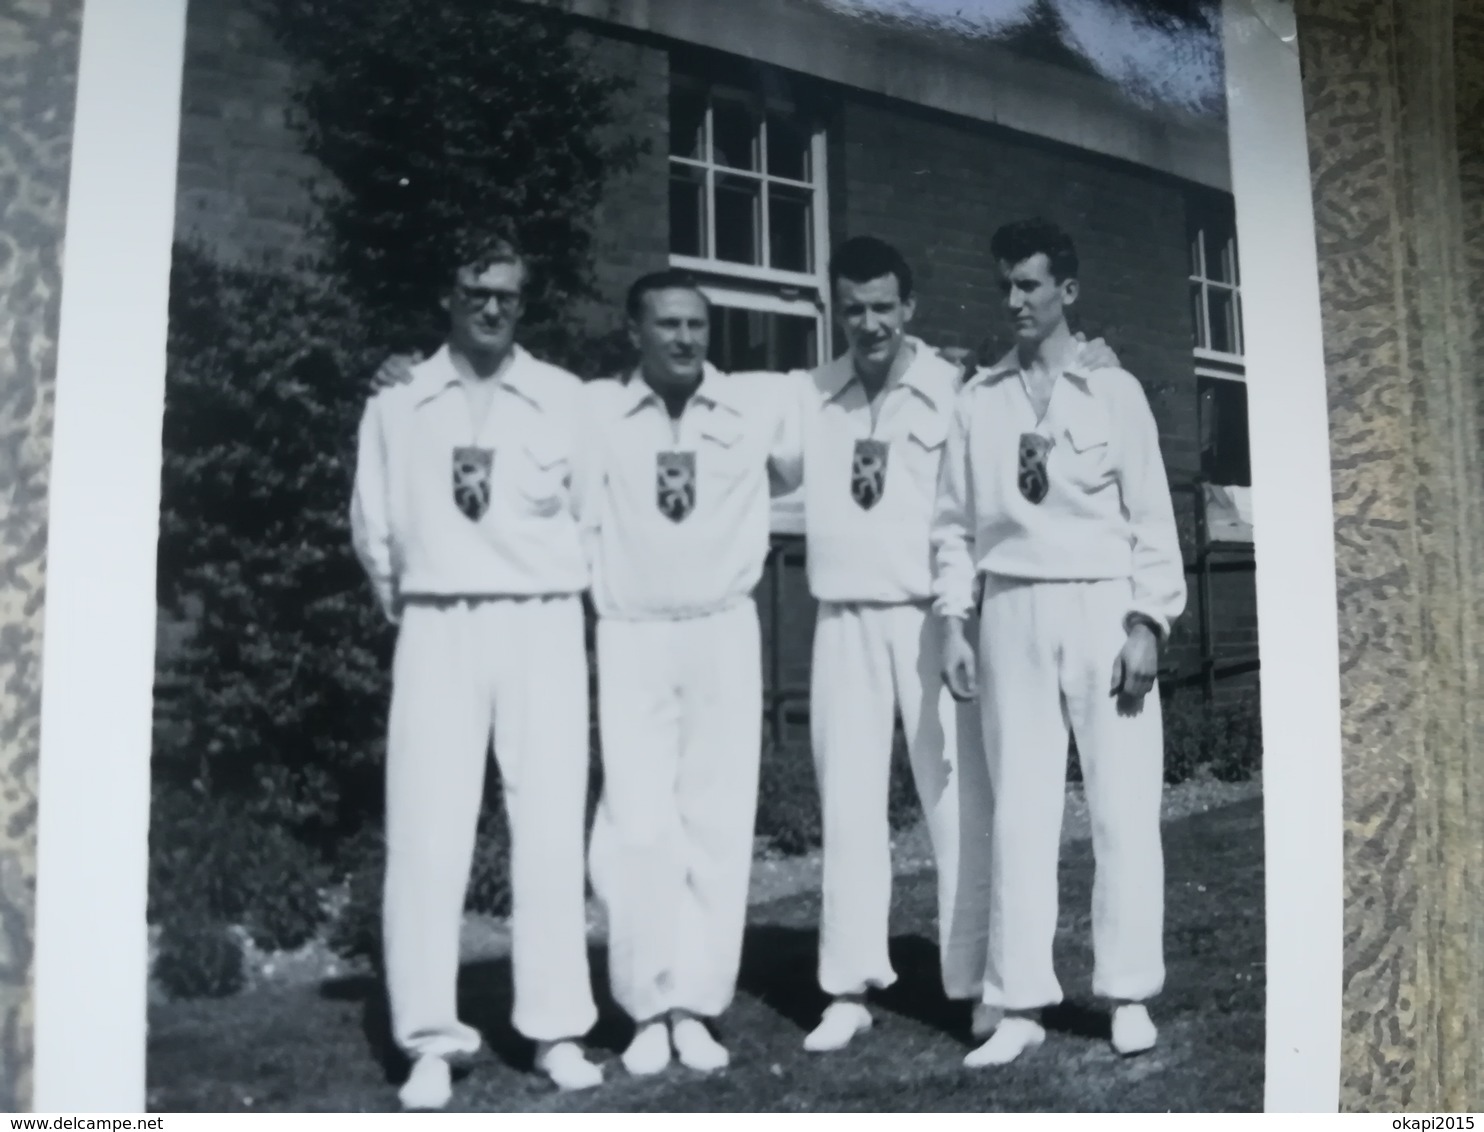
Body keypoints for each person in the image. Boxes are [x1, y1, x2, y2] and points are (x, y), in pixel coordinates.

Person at [794, 236, 1120, 1053]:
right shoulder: (808, 395)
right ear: (837, 310)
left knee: (959, 805)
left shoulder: (954, 390)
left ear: (908, 310)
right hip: (843, 620)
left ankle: (977, 984)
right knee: (849, 803)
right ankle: (848, 986)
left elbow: (970, 503)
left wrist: (956, 615)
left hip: (933, 620)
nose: (867, 322)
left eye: (882, 307)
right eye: (853, 307)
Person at [349, 233, 604, 1109]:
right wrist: (425, 602)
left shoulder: (564, 399)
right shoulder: (398, 402)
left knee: (548, 827)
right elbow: (374, 530)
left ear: (523, 302)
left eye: (507, 293)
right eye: (475, 290)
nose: (491, 306)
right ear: (448, 296)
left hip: (541, 623)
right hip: (439, 625)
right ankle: (428, 1040)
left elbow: (592, 518)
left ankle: (557, 1030)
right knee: (426, 832)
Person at [932, 217, 1186, 1068]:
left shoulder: (1116, 395)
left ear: (1066, 292)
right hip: (1010, 612)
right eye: (1006, 284)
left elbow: (1152, 519)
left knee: (1121, 808)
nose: (1014, 300)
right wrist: (955, 623)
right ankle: (1019, 1001)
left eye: (1030, 285)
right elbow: (952, 527)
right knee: (1020, 811)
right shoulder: (978, 400)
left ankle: (1126, 993)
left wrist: (1149, 622)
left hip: (1103, 611)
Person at [577, 269, 800, 1076]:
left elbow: (848, 408)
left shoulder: (754, 405)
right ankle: (646, 1008)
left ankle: (698, 1005)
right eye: (667, 324)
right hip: (632, 632)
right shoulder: (593, 411)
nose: (684, 338)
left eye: (697, 325)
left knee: (714, 821)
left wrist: (939, 365)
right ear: (636, 331)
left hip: (721, 631)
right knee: (637, 828)